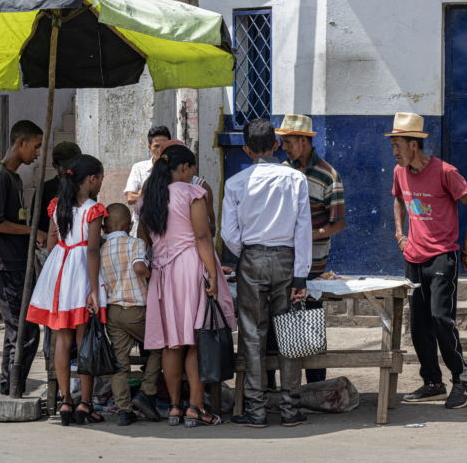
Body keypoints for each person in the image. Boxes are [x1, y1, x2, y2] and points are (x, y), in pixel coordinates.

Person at [221, 118, 312, 428]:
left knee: (252, 335)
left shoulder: (235, 183)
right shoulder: (296, 179)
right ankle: (290, 409)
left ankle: (257, 411)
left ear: (246, 149)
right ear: (276, 145)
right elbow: (303, 229)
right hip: (287, 260)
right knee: (289, 333)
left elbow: (228, 234)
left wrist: (248, 253)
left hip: (251, 259)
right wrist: (300, 275)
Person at [139, 145, 236, 428]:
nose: (193, 174)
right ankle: (195, 407)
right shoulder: (191, 192)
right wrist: (213, 275)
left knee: (172, 343)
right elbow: (203, 237)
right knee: (195, 340)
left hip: (163, 274)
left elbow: (143, 240)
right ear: (184, 168)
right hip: (191, 268)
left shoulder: (146, 199)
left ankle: (174, 407)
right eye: (192, 169)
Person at [388, 112, 467, 409]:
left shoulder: (445, 172)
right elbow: (398, 198)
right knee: (418, 324)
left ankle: (462, 379)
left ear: (414, 145)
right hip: (413, 257)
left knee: (441, 318)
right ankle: (433, 383)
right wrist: (400, 234)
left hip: (442, 256)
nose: (394, 151)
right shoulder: (399, 171)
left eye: (398, 145)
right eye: (393, 146)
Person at [26, 155, 108, 426]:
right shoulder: (94, 209)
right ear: (91, 179)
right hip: (82, 273)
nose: (100, 184)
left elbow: (52, 244)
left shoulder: (57, 205)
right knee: (84, 340)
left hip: (59, 270)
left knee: (62, 338)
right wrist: (94, 290)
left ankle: (65, 402)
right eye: (100, 179)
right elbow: (93, 251)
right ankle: (85, 403)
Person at [277, 114, 345, 385]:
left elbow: (338, 223)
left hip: (314, 266)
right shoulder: (283, 171)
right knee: (280, 326)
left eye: (288, 142)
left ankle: (316, 388)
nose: (284, 147)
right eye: (283, 142)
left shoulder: (329, 176)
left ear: (304, 141)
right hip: (284, 262)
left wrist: (308, 237)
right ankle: (280, 388)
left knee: (312, 323)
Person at [0, 120, 44, 396]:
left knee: (25, 330)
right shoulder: (0, 177)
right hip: (4, 264)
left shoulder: (15, 179)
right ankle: (10, 390)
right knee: (21, 330)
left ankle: (12, 388)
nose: (38, 153)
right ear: (21, 142)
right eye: (36, 146)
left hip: (17, 263)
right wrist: (32, 231)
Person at [100, 203, 162, 426]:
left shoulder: (101, 250)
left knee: (120, 363)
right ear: (129, 226)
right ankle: (146, 391)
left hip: (113, 312)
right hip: (136, 311)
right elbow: (139, 268)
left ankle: (124, 411)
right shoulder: (135, 243)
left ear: (104, 228)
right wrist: (152, 274)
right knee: (161, 346)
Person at [29, 141, 81, 363]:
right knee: (58, 317)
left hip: (70, 260)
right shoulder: (47, 191)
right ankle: (54, 365)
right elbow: (38, 229)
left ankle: (68, 369)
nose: (70, 171)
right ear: (55, 166)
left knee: (70, 319)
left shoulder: (84, 190)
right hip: (53, 259)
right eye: (66, 167)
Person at [124, 126, 171, 238]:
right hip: (141, 228)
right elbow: (130, 198)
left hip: (167, 227)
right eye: (156, 146)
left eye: (164, 146)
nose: (160, 150)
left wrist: (142, 194)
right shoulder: (139, 168)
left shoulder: (174, 169)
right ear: (149, 147)